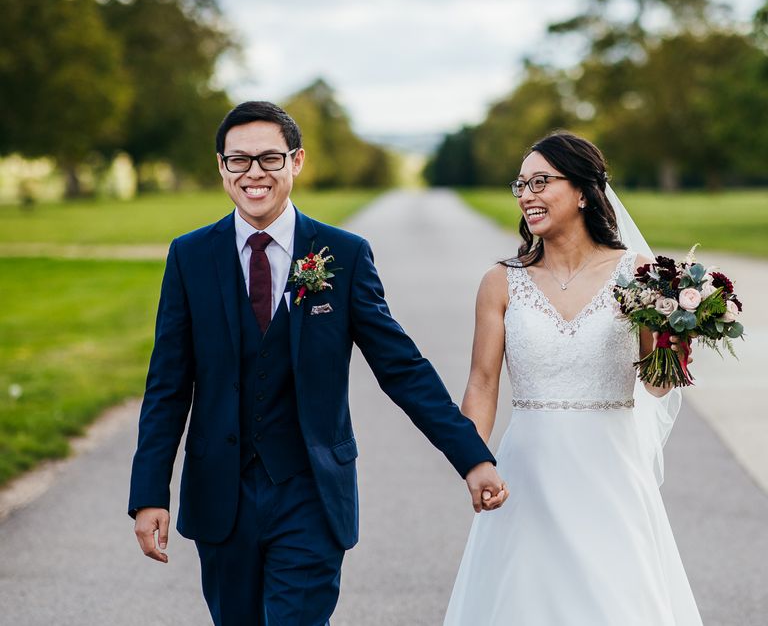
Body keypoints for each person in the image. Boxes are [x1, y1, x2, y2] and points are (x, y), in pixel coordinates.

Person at [128, 101, 507, 626]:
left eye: (269, 158)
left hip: (310, 491)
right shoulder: (190, 256)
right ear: (221, 167)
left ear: (296, 161)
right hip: (221, 496)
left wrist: (472, 456)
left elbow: (401, 367)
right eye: (239, 160)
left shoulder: (342, 254)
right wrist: (149, 493)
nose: (253, 173)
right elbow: (167, 386)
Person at [444, 132, 702, 625]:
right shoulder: (500, 281)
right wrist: (473, 460)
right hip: (529, 469)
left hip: (612, 469)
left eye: (541, 181)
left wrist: (676, 340)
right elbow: (481, 383)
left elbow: (656, 384)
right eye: (520, 185)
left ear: (583, 191)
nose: (527, 195)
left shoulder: (640, 274)